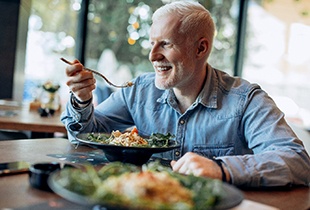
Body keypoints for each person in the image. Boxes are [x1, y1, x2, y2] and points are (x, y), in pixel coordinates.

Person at [61, 1, 310, 187]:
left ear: (201, 48)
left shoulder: (246, 100)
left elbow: (297, 163)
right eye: (152, 43)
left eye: (166, 44)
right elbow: (83, 135)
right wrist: (82, 100)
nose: (152, 56)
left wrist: (221, 169)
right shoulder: (138, 90)